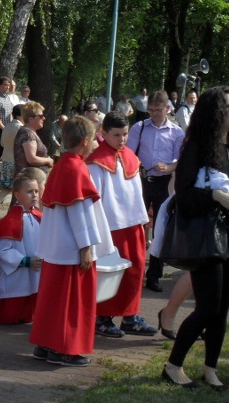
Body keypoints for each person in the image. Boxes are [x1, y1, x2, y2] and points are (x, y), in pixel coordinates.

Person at [161, 86, 229, 390]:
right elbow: (183, 197)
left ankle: (210, 369)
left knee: (222, 309)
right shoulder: (196, 147)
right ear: (215, 112)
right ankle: (173, 366)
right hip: (206, 237)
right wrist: (215, 196)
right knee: (207, 307)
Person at [28, 117, 113, 367]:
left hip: (56, 247)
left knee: (52, 300)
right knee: (71, 302)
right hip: (72, 250)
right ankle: (64, 349)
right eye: (95, 140)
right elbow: (80, 212)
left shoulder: (61, 165)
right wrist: (86, 248)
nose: (97, 144)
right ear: (85, 142)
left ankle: (45, 344)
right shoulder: (76, 168)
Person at [86, 112, 155, 338]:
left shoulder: (130, 157)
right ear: (103, 133)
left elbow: (137, 193)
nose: (122, 139)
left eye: (125, 134)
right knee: (111, 273)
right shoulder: (96, 162)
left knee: (135, 271)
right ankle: (102, 317)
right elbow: (94, 199)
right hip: (111, 226)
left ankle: (130, 316)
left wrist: (145, 217)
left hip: (133, 223)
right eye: (116, 135)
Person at [127, 90, 184, 292]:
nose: (153, 114)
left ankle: (154, 276)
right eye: (150, 110)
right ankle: (134, 272)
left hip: (163, 183)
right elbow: (128, 155)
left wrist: (169, 167)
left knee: (160, 229)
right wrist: (139, 165)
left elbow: (179, 160)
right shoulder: (139, 127)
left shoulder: (177, 132)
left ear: (167, 108)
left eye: (157, 110)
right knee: (136, 227)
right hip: (141, 182)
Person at [0, 173, 42, 324]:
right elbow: (2, 251)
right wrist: (25, 261)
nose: (34, 195)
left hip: (36, 274)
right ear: (17, 194)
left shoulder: (38, 217)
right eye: (29, 191)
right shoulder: (9, 222)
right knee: (10, 316)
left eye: (36, 191)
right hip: (17, 276)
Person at [13, 101, 53, 176]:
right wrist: (48, 160)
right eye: (41, 116)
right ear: (31, 119)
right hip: (28, 181)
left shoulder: (29, 132)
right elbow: (31, 159)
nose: (44, 118)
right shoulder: (27, 134)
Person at [0, 104, 24, 206]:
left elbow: (2, 143)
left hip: (6, 159)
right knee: (21, 186)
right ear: (21, 115)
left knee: (6, 187)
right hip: (17, 161)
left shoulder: (6, 126)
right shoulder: (21, 128)